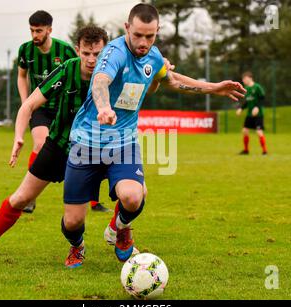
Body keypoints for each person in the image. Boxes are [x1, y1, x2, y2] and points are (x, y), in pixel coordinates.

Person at [61, 3, 246, 268]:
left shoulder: (153, 56)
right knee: (72, 221)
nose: (143, 42)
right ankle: (77, 246)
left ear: (157, 31)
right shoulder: (113, 53)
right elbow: (100, 81)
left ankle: (119, 228)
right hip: (86, 143)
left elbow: (171, 79)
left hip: (123, 141)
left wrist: (213, 88)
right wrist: (103, 108)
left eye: (150, 36)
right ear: (127, 28)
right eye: (138, 35)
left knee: (135, 196)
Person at [0, 26, 110, 257]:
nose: (91, 59)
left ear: (105, 51)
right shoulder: (66, 70)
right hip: (58, 146)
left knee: (132, 190)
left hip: (94, 151)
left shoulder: (113, 73)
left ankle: (119, 231)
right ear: (77, 50)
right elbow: (28, 104)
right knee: (21, 198)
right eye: (86, 53)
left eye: (97, 54)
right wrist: (18, 136)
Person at [17, 10, 109, 213]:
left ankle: (93, 201)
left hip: (64, 108)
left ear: (49, 30)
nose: (35, 35)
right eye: (32, 30)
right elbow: (21, 76)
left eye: (38, 30)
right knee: (41, 143)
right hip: (41, 108)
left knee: (90, 154)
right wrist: (26, 104)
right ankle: (30, 197)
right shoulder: (25, 50)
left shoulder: (66, 51)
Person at [236, 71, 267, 155]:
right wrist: (241, 109)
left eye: (245, 79)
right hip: (249, 114)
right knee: (245, 130)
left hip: (258, 114)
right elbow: (246, 101)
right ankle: (246, 150)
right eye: (243, 79)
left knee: (259, 131)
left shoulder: (257, 87)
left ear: (250, 78)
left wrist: (257, 107)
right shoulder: (247, 89)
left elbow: (262, 97)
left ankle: (264, 151)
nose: (244, 81)